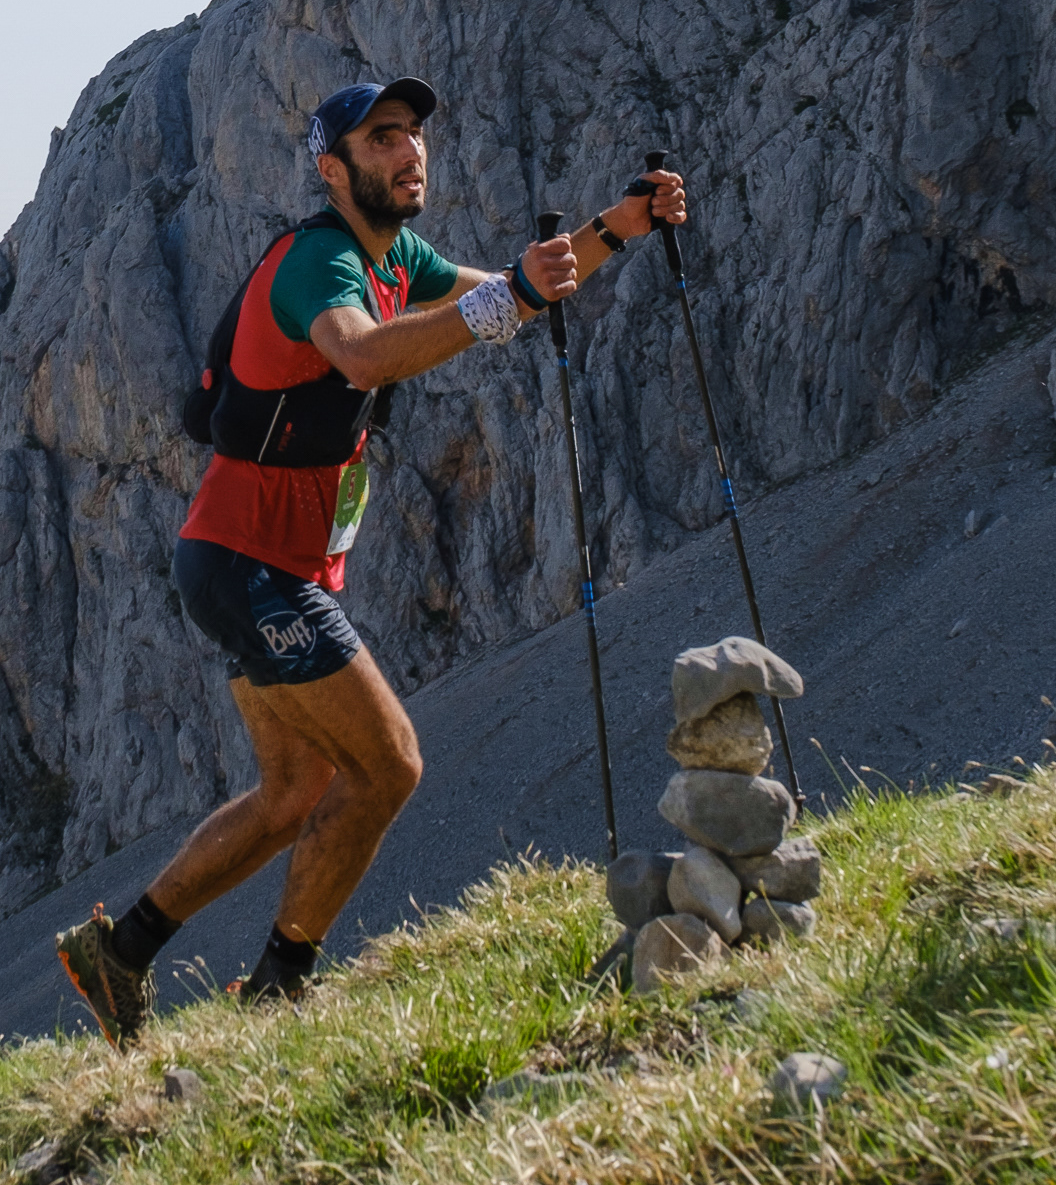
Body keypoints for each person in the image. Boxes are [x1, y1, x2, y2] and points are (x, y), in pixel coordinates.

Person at [56, 75, 686, 1044]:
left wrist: (617, 227)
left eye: (413, 133)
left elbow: (511, 296)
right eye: (382, 137)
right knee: (390, 764)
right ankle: (280, 991)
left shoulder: (398, 258)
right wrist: (515, 293)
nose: (409, 150)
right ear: (333, 170)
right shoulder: (321, 262)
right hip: (251, 564)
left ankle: (120, 953)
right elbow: (360, 355)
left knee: (291, 795)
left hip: (253, 564)